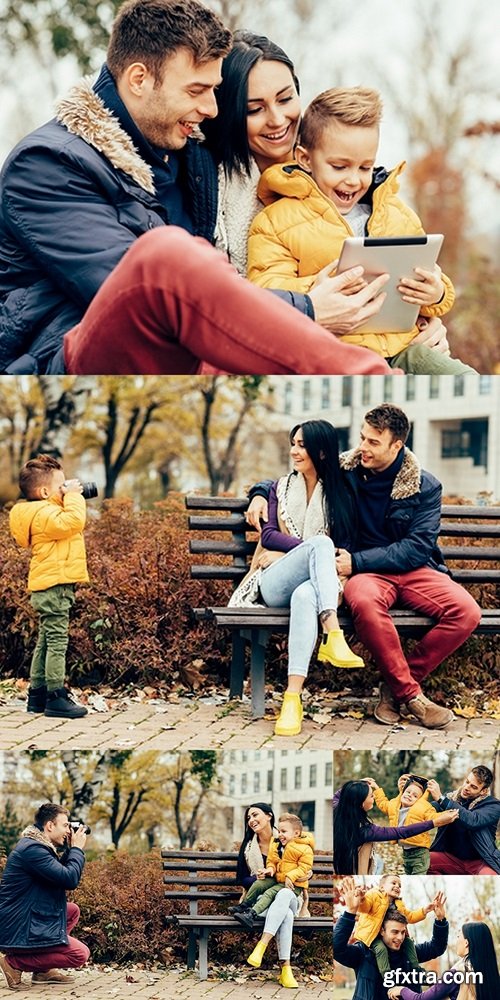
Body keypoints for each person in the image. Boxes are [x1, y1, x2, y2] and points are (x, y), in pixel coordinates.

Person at [0, 1, 396, 378]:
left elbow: (304, 188)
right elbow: (131, 287)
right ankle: (370, 377)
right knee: (164, 256)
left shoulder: (189, 154)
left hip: (184, 354)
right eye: (196, 91)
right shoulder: (45, 164)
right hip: (66, 359)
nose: (212, 108)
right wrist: (306, 309)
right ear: (139, 79)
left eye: (214, 90)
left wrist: (405, 313)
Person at [202, 30, 451, 357]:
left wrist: (429, 313)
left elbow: (420, 276)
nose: (278, 119)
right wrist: (310, 305)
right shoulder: (211, 187)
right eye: (255, 109)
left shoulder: (345, 173)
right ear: (231, 112)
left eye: (285, 98)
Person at [246, 403, 483, 729]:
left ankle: (399, 689)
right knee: (367, 606)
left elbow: (417, 548)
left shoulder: (425, 485)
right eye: (362, 438)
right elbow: (299, 470)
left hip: (411, 569)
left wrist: (355, 560)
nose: (363, 447)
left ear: (396, 445)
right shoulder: (347, 470)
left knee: (467, 612)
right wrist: (258, 493)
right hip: (364, 576)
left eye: (373, 442)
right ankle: (412, 697)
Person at [247, 86, 476, 375]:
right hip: (336, 352)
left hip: (407, 348)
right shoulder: (274, 222)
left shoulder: (397, 214)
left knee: (464, 377)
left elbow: (431, 280)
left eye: (365, 167)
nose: (354, 180)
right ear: (305, 159)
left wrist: (437, 293)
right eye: (340, 167)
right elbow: (262, 293)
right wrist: (319, 289)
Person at [229, 419, 364, 738]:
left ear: (322, 451)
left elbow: (345, 545)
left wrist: (300, 555)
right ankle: (333, 634)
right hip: (273, 582)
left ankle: (292, 698)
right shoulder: (280, 487)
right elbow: (271, 535)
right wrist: (300, 553)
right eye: (293, 443)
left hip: (313, 586)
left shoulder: (343, 493)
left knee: (307, 596)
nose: (293, 451)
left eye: (302, 445)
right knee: (321, 544)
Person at [9, 455, 89, 720]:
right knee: (56, 641)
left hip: (51, 583)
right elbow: (74, 522)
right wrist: (75, 496)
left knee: (45, 639)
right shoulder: (45, 515)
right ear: (44, 492)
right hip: (54, 585)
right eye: (61, 486)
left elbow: (63, 518)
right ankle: (56, 696)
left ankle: (38, 695)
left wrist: (64, 495)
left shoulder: (41, 512)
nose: (66, 490)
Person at [0, 803, 89, 990]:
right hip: (19, 923)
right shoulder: (33, 850)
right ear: (50, 826)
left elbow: (58, 874)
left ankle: (43, 971)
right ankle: (14, 963)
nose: (68, 830)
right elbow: (69, 878)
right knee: (80, 954)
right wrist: (77, 849)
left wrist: (70, 849)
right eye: (65, 825)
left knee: (71, 911)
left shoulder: (38, 846)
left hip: (26, 915)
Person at [334, 877, 449, 1000]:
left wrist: (440, 920)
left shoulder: (409, 952)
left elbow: (437, 946)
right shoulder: (364, 953)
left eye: (403, 932)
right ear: (382, 931)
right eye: (395, 932)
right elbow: (337, 949)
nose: (400, 937)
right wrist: (350, 912)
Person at [235, 802, 303, 989]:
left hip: (292, 897)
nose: (251, 820)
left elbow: (305, 863)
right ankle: (286, 970)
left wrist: (306, 874)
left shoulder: (286, 836)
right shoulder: (249, 847)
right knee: (285, 915)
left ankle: (261, 946)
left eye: (255, 815)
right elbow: (241, 879)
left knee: (283, 894)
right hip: (262, 902)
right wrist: (257, 878)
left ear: (269, 816)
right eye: (248, 817)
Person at [333, 780, 457, 875]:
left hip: (419, 853)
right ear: (360, 803)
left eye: (414, 795)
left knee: (381, 863)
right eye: (371, 796)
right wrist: (434, 822)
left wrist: (357, 784)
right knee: (380, 863)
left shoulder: (338, 809)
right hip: (352, 866)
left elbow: (339, 796)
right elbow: (401, 831)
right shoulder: (365, 830)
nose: (374, 797)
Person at [351, 874, 438, 985]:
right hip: (372, 936)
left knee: (409, 942)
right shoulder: (374, 895)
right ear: (382, 887)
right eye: (393, 883)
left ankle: (416, 969)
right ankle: (387, 975)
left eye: (399, 885)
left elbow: (409, 916)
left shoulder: (399, 903)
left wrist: (424, 911)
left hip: (390, 935)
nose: (397, 886)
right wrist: (361, 899)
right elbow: (365, 907)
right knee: (381, 949)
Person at [232, 812, 313, 930]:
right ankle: (244, 905)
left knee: (270, 893)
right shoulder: (275, 844)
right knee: (259, 884)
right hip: (277, 878)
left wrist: (292, 876)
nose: (280, 835)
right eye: (279, 831)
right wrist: (269, 869)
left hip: (292, 885)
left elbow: (304, 867)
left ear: (296, 833)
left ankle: (251, 915)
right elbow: (272, 861)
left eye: (283, 832)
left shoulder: (304, 848)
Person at [387, 921, 500, 1000]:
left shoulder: (456, 974)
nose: (456, 940)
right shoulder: (490, 975)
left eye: (458, 936)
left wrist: (402, 990)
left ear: (466, 943)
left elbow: (421, 999)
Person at [426, 766, 500, 874]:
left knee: (491, 877)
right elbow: (428, 809)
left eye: (473, 787)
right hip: (451, 859)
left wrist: (442, 799)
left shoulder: (493, 806)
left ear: (483, 791)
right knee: (422, 861)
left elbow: (473, 820)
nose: (466, 787)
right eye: (467, 782)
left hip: (480, 862)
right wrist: (409, 790)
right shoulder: (452, 798)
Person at [367, 774, 437, 874]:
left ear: (419, 801)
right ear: (403, 792)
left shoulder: (423, 809)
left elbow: (434, 817)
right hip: (406, 853)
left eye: (415, 795)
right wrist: (376, 788)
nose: (410, 795)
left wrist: (448, 815)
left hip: (420, 853)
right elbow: (383, 803)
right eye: (408, 792)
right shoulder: (394, 806)